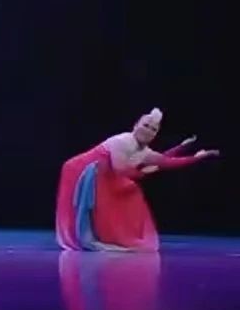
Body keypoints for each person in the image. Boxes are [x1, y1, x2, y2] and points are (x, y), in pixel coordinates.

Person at [55, 108, 217, 252]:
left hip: (103, 176)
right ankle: (90, 236)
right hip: (80, 170)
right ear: (135, 125)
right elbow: (120, 169)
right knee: (115, 194)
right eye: (145, 125)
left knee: (130, 191)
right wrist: (143, 173)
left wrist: (192, 154)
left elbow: (165, 161)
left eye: (153, 129)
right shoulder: (123, 141)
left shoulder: (145, 151)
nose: (148, 131)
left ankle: (109, 235)